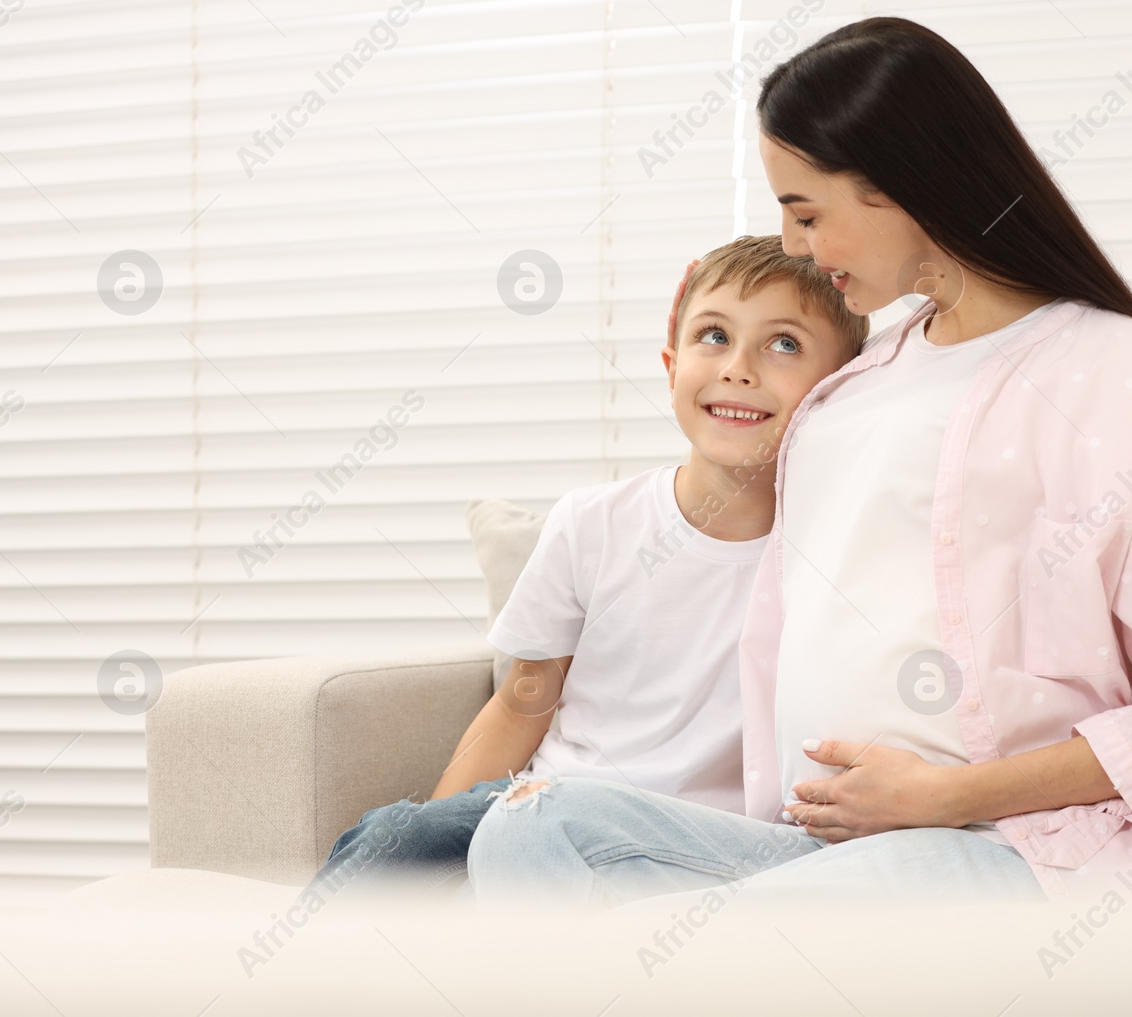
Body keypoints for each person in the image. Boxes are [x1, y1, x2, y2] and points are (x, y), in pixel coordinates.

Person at [466, 17, 1132, 908]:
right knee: (528, 830)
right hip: (816, 850)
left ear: (902, 186)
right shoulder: (847, 395)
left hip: (1027, 853)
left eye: (806, 212)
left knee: (711, 934)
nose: (796, 245)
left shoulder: (1122, 374)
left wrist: (942, 797)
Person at [305, 235, 866, 898]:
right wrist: (436, 831)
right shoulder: (593, 523)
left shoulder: (841, 550)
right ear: (670, 363)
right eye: (713, 335)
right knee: (393, 835)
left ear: (837, 388)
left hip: (690, 838)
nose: (738, 367)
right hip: (547, 803)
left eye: (784, 344)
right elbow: (520, 707)